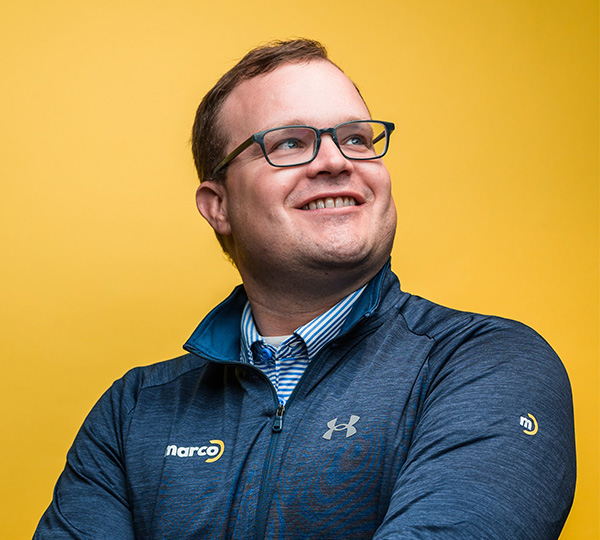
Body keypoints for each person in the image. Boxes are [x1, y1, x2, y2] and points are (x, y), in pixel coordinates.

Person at [34, 38, 576, 539]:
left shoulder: (486, 365)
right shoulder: (133, 412)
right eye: (290, 143)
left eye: (356, 138)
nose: (337, 161)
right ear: (218, 206)